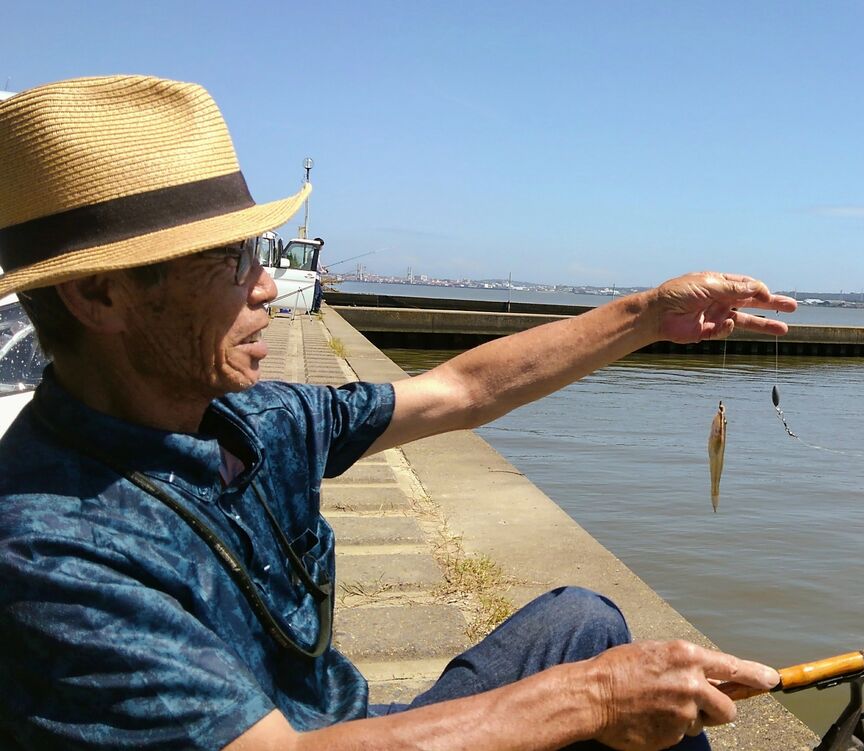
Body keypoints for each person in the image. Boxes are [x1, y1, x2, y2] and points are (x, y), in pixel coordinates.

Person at [0, 75, 797, 750]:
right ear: (100, 293)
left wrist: (649, 314)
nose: (268, 288)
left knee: (584, 622)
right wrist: (586, 699)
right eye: (232, 259)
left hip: (341, 723)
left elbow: (461, 390)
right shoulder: (48, 552)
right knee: (598, 679)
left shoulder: (255, 421)